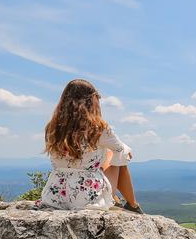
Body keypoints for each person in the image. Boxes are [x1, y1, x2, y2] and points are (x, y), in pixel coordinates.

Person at [40, 79, 143, 212]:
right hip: (87, 196)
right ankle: (133, 205)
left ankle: (124, 201)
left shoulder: (52, 127)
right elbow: (120, 150)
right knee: (117, 154)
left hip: (55, 195)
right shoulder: (97, 127)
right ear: (91, 101)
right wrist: (126, 150)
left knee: (107, 152)